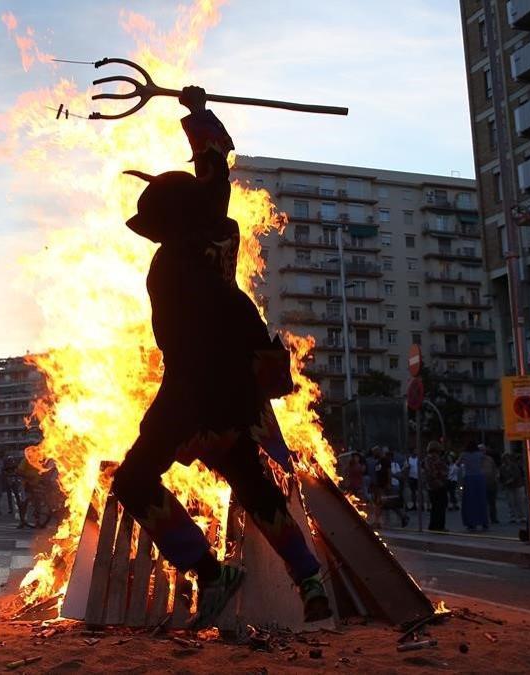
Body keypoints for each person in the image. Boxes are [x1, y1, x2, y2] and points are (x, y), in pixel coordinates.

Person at [109, 86, 329, 628]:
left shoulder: (173, 261)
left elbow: (211, 180)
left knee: (134, 481)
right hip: (236, 396)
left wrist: (199, 118)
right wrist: (198, 115)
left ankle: (210, 573)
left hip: (191, 395)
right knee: (254, 486)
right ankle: (309, 578)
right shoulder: (220, 237)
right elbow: (216, 172)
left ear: (166, 224)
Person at [459, 442, 489, 531]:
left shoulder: (464, 454)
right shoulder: (480, 455)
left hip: (469, 478)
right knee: (481, 501)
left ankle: (471, 522)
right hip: (479, 478)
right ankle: (484, 522)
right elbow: (485, 462)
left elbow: (457, 464)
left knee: (469, 502)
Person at [425, 441, 449, 532]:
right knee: (440, 505)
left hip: (432, 485)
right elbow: (437, 471)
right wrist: (442, 474)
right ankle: (439, 525)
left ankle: (434, 525)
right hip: (438, 484)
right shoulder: (434, 459)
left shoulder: (428, 459)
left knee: (435, 506)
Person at [499, 451, 525, 524]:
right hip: (509, 487)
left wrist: (509, 481)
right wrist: (502, 484)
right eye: (504, 459)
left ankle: (521, 516)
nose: (506, 460)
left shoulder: (514, 466)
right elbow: (501, 477)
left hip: (518, 486)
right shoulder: (502, 467)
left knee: (519, 502)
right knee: (511, 502)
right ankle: (512, 517)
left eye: (507, 458)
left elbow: (516, 475)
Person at [481, 446, 499, 525]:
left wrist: (496, 477)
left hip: (491, 483)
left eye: (484, 450)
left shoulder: (490, 459)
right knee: (483, 502)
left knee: (492, 502)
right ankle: (484, 519)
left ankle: (493, 518)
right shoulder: (477, 460)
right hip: (481, 483)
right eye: (481, 450)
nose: (482, 452)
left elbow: (494, 469)